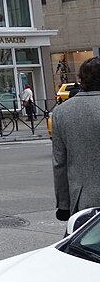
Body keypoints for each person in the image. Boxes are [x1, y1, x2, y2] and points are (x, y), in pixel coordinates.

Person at [52, 57, 100, 221]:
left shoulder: (62, 112)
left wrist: (63, 204)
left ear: (81, 79)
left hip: (82, 201)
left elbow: (60, 163)